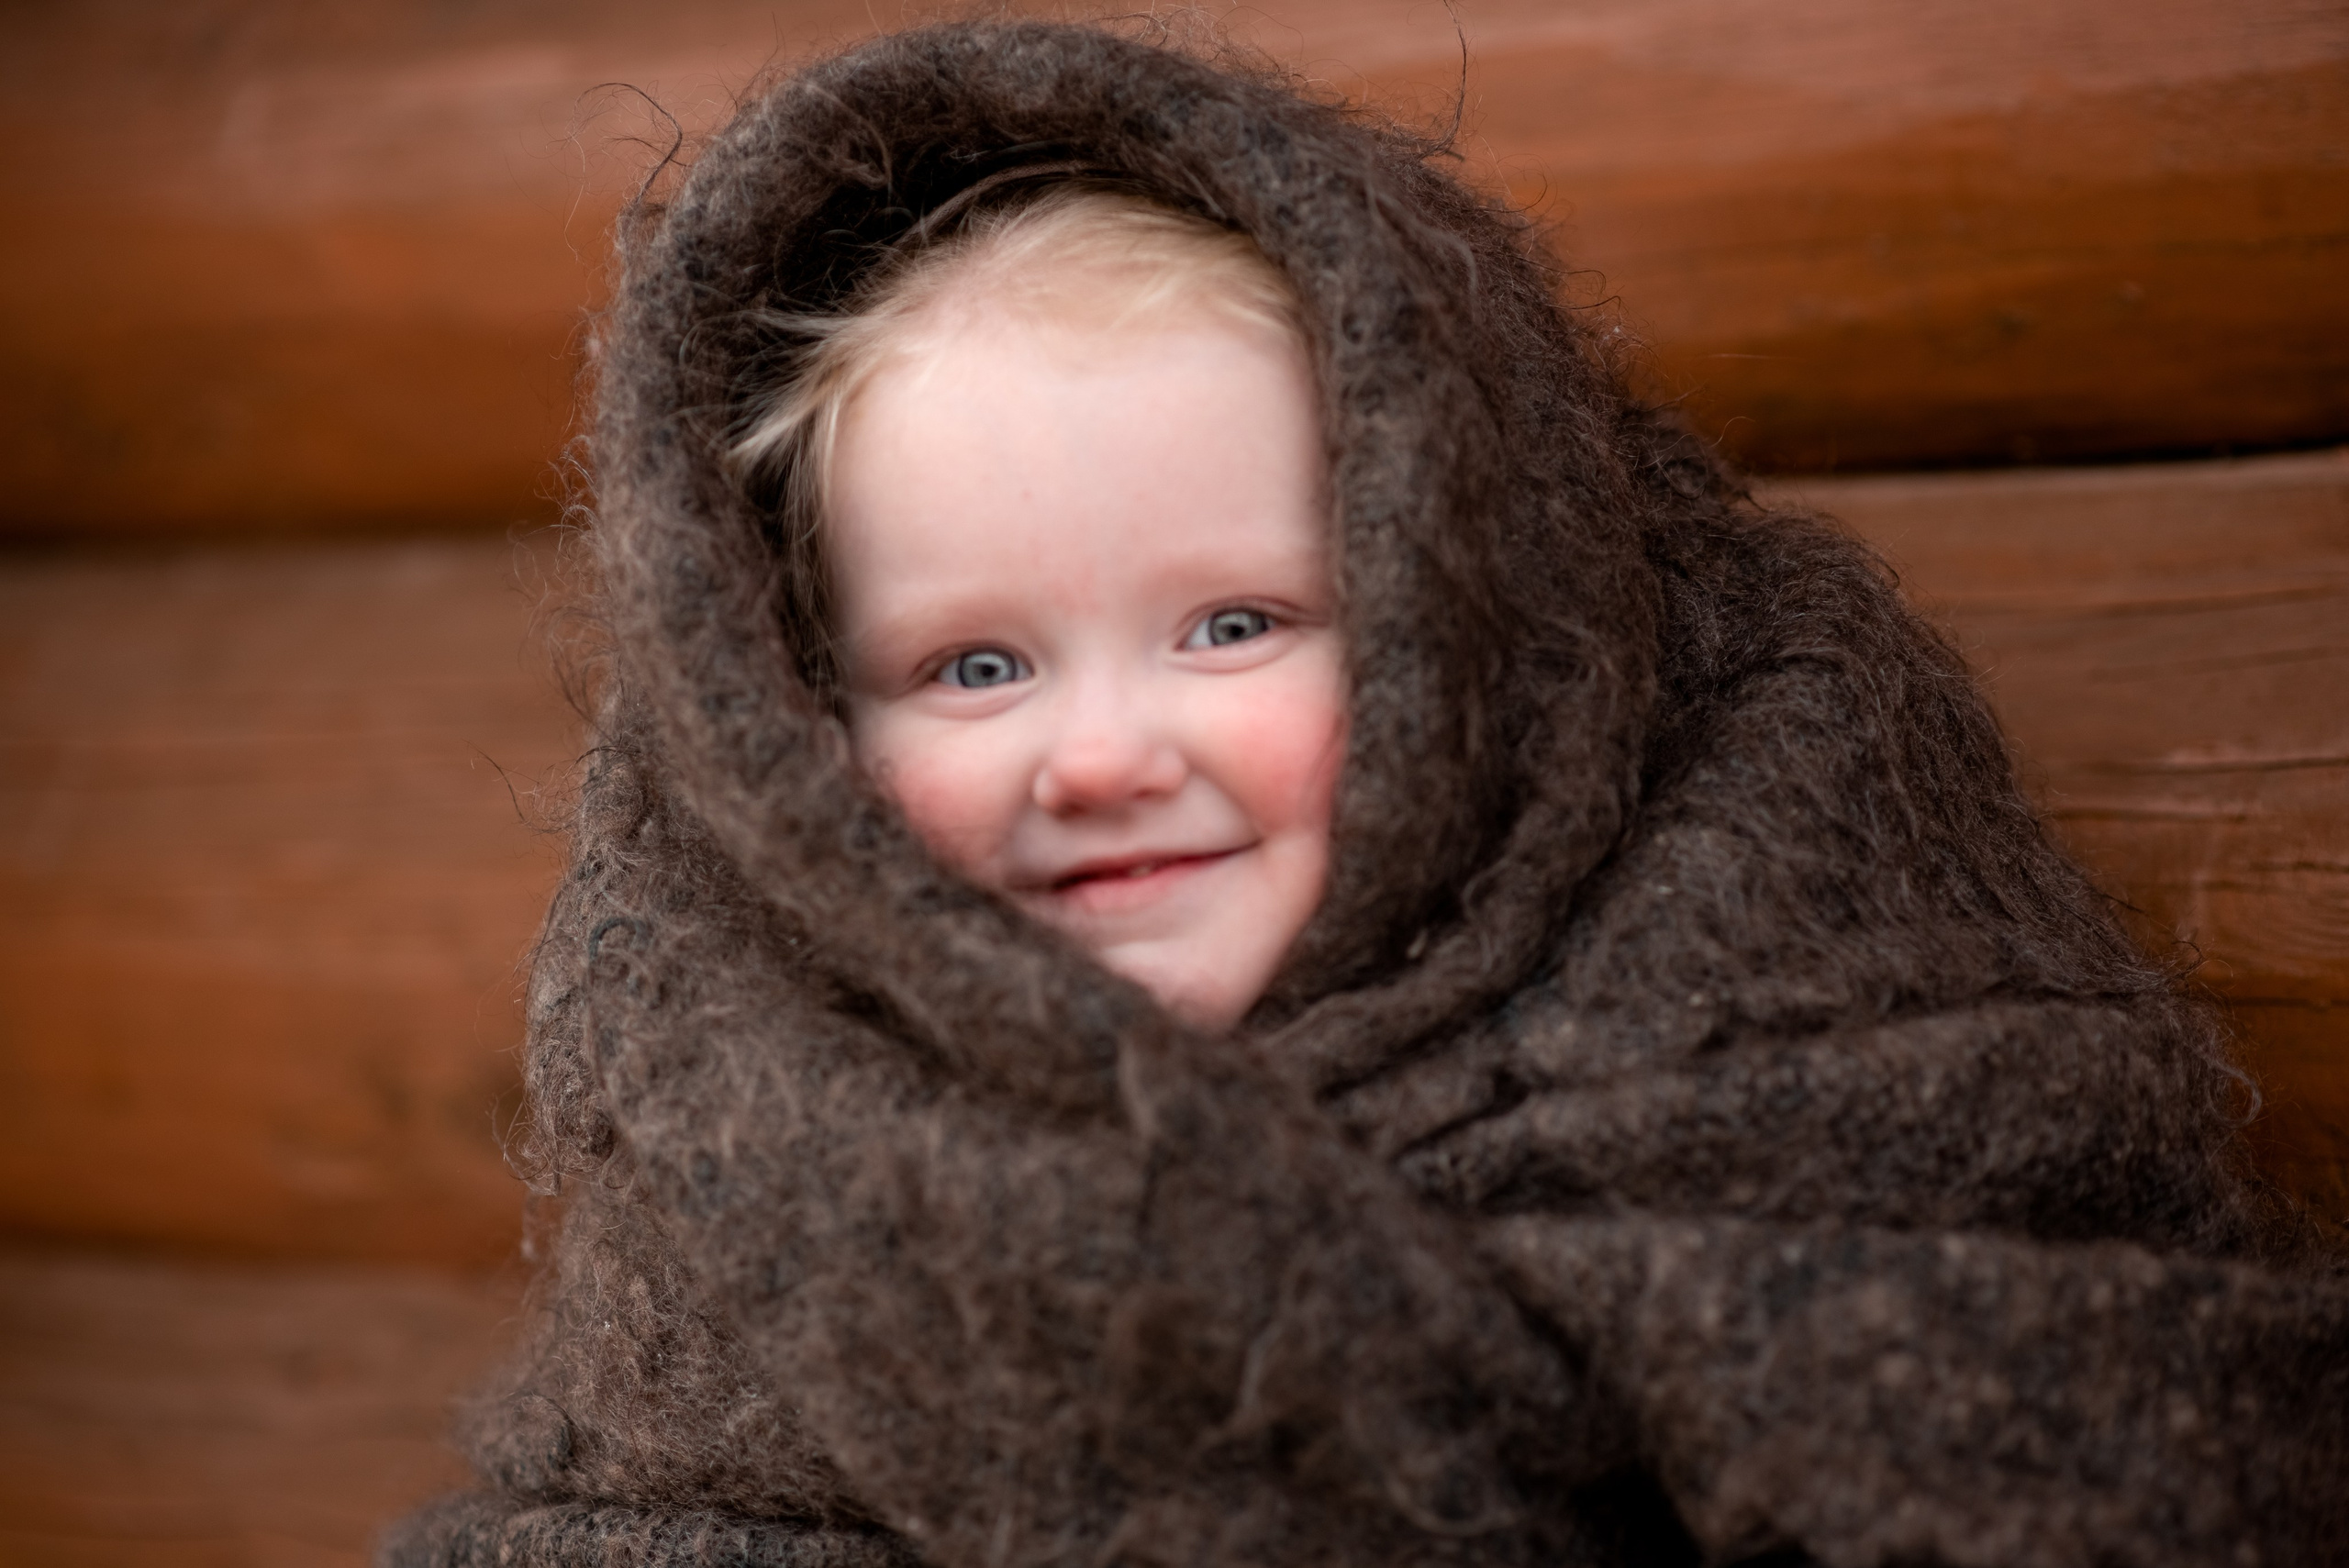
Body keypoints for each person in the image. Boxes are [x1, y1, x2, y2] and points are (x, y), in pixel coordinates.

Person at [386, 18, 2347, 1568]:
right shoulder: (758, 1141)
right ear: (791, 731)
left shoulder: (1817, 1022)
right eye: (973, 668)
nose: (1097, 755)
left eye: (1236, 624)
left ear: (1468, 626)